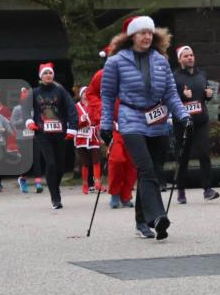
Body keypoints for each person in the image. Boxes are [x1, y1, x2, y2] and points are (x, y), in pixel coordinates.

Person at [100, 16, 191, 240]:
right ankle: (158, 216)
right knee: (146, 167)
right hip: (131, 119)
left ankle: (142, 220)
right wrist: (105, 125)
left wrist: (183, 115)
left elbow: (170, 93)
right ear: (132, 36)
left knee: (153, 170)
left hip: (157, 120)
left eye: (150, 32)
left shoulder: (160, 60)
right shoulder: (116, 61)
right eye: (142, 32)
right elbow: (108, 95)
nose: (147, 36)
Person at [87, 43, 137, 209]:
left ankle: (126, 195)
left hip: (132, 124)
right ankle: (115, 193)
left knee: (131, 162)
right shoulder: (100, 76)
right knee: (116, 160)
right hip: (113, 127)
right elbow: (91, 94)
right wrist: (101, 112)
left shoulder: (132, 74)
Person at [22, 63, 78, 209]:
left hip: (60, 133)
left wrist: (72, 128)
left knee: (60, 167)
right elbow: (25, 109)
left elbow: (71, 108)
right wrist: (29, 122)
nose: (48, 76)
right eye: (45, 73)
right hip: (42, 134)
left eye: (50, 73)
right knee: (51, 163)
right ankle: (55, 197)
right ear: (41, 76)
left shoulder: (60, 91)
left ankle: (54, 186)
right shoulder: (34, 92)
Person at [173, 45, 220, 203]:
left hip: (201, 121)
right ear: (180, 59)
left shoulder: (202, 75)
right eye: (186, 56)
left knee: (204, 154)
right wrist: (182, 96)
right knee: (183, 157)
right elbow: (169, 99)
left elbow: (204, 95)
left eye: (191, 55)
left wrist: (209, 95)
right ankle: (180, 191)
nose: (190, 58)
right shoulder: (175, 77)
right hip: (183, 124)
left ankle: (207, 189)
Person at [12, 87, 43, 194]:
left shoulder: (35, 108)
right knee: (25, 160)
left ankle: (38, 183)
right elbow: (13, 122)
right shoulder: (17, 109)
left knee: (36, 158)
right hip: (22, 137)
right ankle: (23, 179)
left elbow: (40, 119)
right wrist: (25, 121)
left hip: (34, 137)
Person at [74, 86, 103, 195]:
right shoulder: (76, 107)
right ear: (80, 95)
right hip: (81, 137)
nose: (86, 94)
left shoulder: (94, 105)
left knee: (96, 160)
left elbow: (100, 118)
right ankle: (85, 184)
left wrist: (99, 125)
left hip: (93, 136)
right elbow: (73, 122)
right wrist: (81, 121)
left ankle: (97, 183)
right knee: (85, 162)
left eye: (87, 92)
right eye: (84, 92)